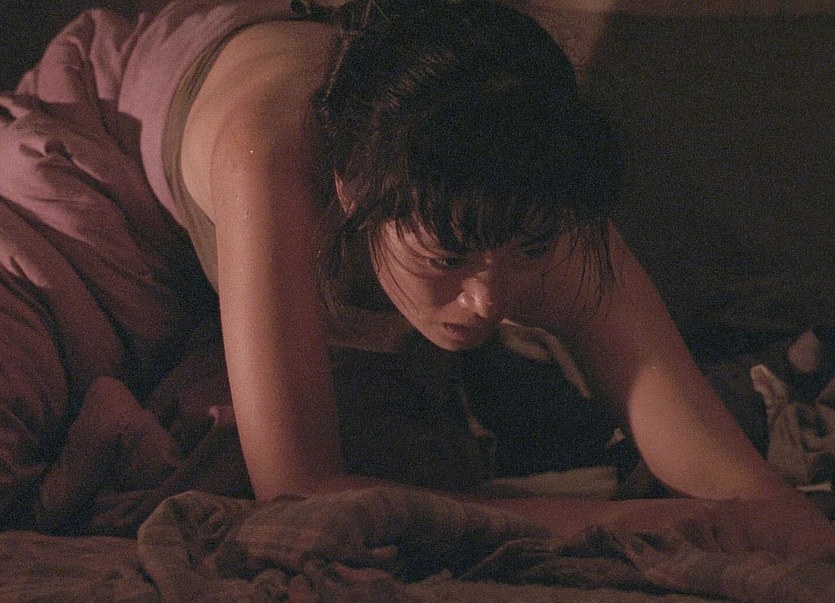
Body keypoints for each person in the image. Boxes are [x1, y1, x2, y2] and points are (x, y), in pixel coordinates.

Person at [7, 0, 833, 556]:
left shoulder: (534, 203)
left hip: (303, 274)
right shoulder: (273, 151)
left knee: (402, 473)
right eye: (446, 258)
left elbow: (745, 495)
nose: (488, 301)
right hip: (101, 185)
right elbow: (298, 488)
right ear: (351, 192)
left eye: (527, 253)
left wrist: (774, 531)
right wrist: (629, 521)